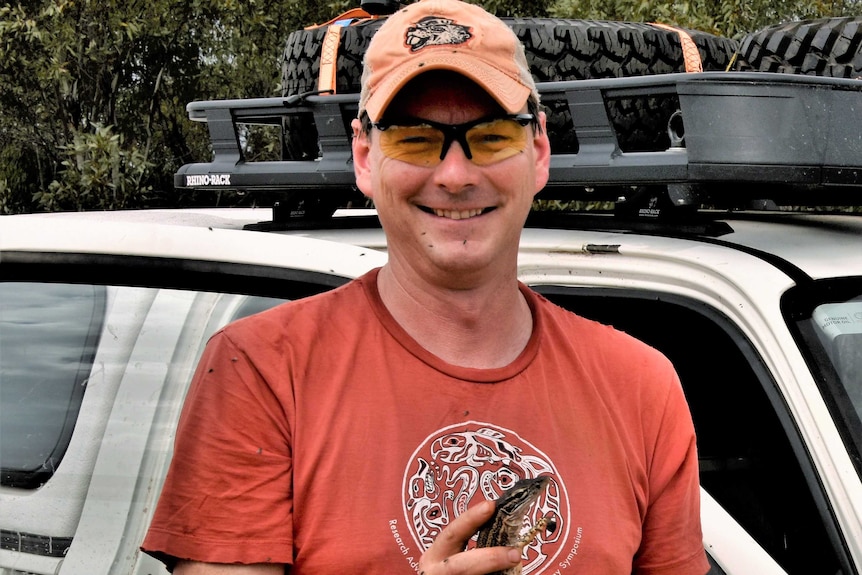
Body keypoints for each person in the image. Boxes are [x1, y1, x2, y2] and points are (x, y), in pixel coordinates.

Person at [142, 0, 709, 573]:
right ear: (365, 156)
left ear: (538, 149)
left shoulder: (642, 388)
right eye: (414, 139)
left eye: (490, 138)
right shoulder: (261, 370)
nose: (456, 175)